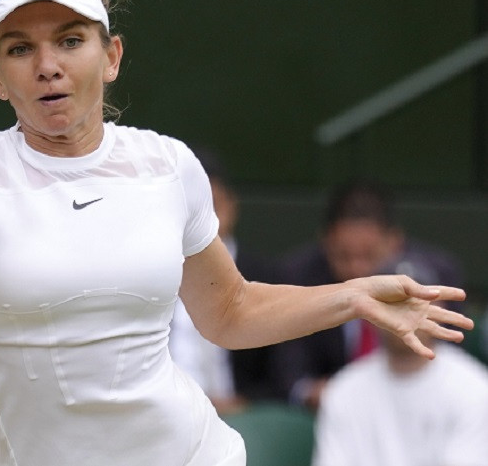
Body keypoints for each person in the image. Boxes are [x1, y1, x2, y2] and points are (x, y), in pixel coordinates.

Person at [0, 0, 472, 466]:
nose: (47, 65)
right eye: (20, 48)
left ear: (111, 56)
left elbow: (230, 311)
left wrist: (351, 295)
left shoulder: (167, 165)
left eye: (70, 40)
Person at [273, 181, 465, 410]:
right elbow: (289, 370)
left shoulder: (432, 277)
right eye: (343, 256)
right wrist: (312, 392)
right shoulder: (298, 276)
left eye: (369, 255)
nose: (356, 268)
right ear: (326, 242)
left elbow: (450, 358)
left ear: (394, 242)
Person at [311, 255, 488, 466]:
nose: (407, 314)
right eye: (394, 304)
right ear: (370, 313)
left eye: (419, 302)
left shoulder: (474, 387)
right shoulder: (344, 388)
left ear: (440, 308)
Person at [168, 149, 282, 413]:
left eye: (213, 209)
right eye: (191, 212)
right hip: (167, 415)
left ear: (232, 205)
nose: (203, 224)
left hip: (242, 418)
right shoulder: (151, 275)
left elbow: (281, 372)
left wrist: (244, 404)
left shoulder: (265, 276)